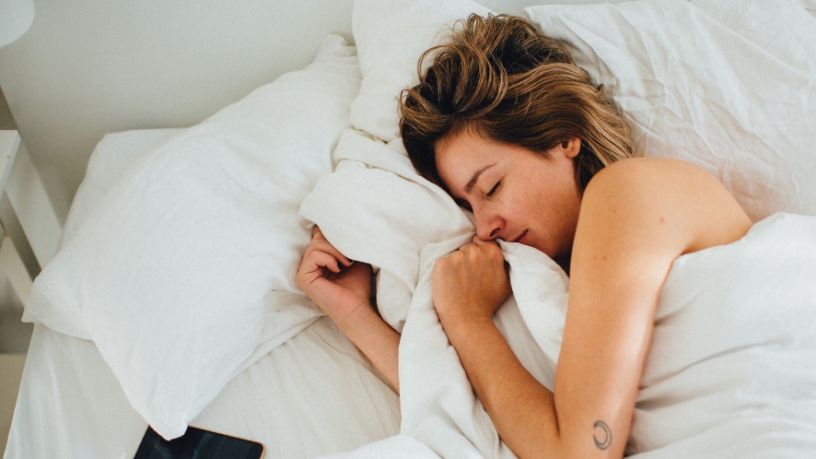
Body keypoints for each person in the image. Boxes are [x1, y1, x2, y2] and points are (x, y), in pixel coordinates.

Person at [296, 13, 752, 458]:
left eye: (492, 187)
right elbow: (477, 417)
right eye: (468, 205)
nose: (484, 225)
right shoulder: (555, 282)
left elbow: (578, 454)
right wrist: (354, 311)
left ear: (562, 137)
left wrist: (469, 320)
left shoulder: (629, 191)